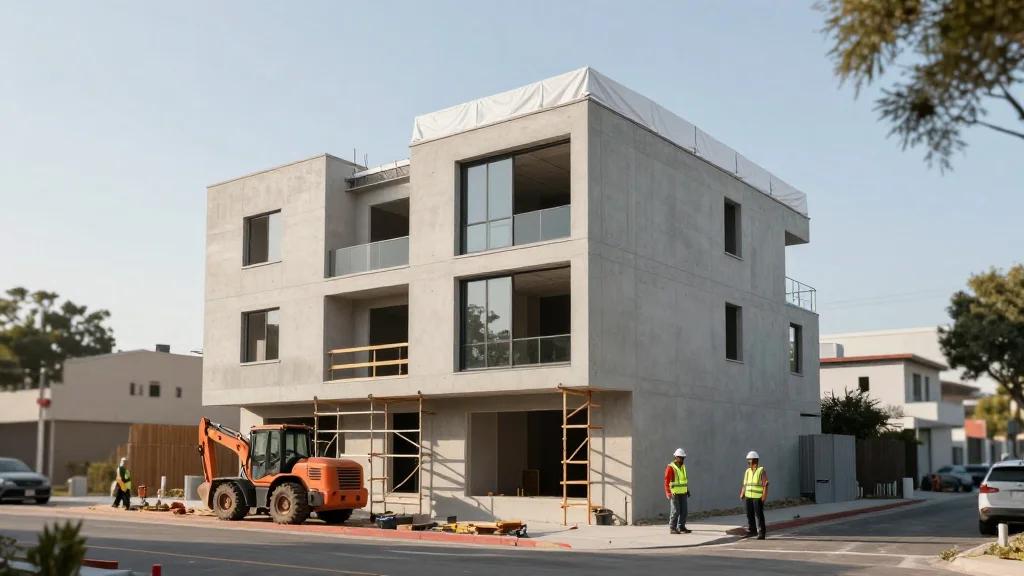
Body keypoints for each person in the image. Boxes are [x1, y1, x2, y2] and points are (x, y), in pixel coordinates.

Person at [740, 450, 767, 539]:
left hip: (757, 497)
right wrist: (742, 493)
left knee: (759, 515)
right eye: (748, 460)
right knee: (749, 514)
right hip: (748, 496)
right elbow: (745, 483)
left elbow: (765, 484)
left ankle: (762, 533)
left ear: (755, 460)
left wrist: (764, 495)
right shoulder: (747, 471)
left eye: (750, 460)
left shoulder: (761, 470)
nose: (748, 462)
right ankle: (752, 531)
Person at [664, 448, 691, 534]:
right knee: (676, 511)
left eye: (683, 458)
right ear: (676, 457)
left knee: (684, 511)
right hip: (674, 493)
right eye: (681, 457)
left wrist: (687, 490)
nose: (682, 459)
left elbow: (684, 480)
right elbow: (666, 481)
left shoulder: (683, 467)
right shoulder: (670, 467)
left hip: (683, 492)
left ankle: (681, 527)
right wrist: (668, 492)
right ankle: (672, 527)